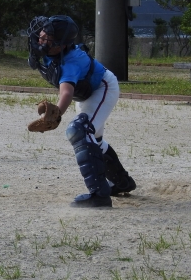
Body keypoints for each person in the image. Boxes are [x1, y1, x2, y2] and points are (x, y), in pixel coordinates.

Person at [26, 15, 136, 208]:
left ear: (61, 44)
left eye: (46, 37)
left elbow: (66, 92)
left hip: (102, 88)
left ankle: (99, 195)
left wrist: (55, 115)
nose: (40, 39)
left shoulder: (71, 61)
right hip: (86, 95)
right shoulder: (54, 52)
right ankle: (122, 182)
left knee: (80, 131)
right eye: (41, 34)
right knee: (94, 141)